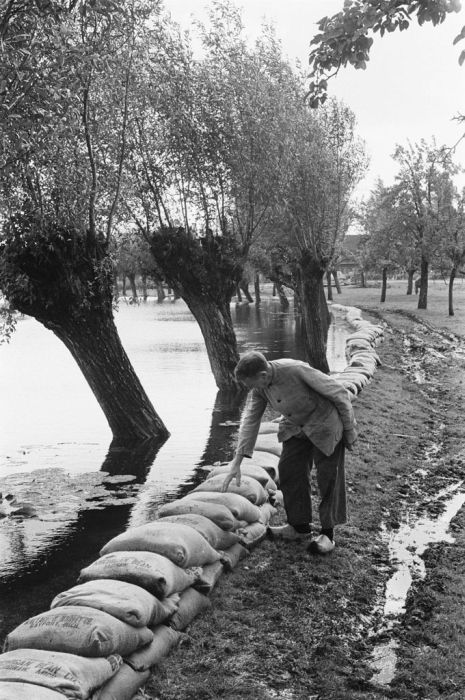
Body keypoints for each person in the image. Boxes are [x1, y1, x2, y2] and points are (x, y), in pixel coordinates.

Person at [222, 351, 357, 554]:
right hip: (295, 427)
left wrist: (349, 430)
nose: (251, 389)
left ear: (263, 375)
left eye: (251, 383)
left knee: (328, 477)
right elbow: (251, 420)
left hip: (324, 423)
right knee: (289, 470)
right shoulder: (260, 388)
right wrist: (237, 461)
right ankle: (299, 527)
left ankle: (328, 534)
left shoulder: (295, 370)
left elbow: (338, 393)